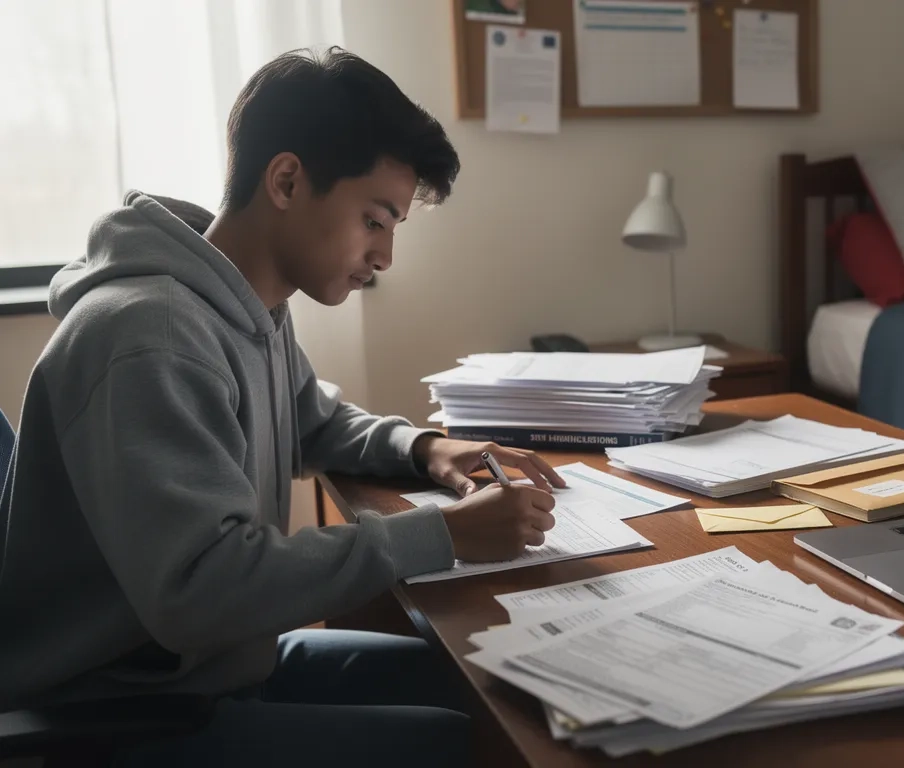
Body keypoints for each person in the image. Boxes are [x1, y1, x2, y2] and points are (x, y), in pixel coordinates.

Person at [0, 47, 562, 765]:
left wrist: (426, 448)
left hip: (211, 667)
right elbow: (204, 586)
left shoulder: (246, 303)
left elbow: (312, 419)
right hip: (121, 711)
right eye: (374, 220)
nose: (385, 256)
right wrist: (444, 534)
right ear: (288, 181)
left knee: (485, 677)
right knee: (477, 746)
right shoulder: (152, 336)